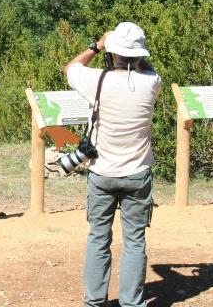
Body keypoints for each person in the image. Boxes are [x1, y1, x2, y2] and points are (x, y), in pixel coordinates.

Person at [64, 22, 162, 307]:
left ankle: (95, 301)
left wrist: (98, 45)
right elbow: (145, 67)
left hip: (101, 172)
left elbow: (71, 68)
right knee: (134, 242)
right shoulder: (152, 82)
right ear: (141, 55)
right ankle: (132, 303)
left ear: (114, 53)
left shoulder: (97, 80)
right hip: (137, 173)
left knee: (98, 237)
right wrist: (128, 50)